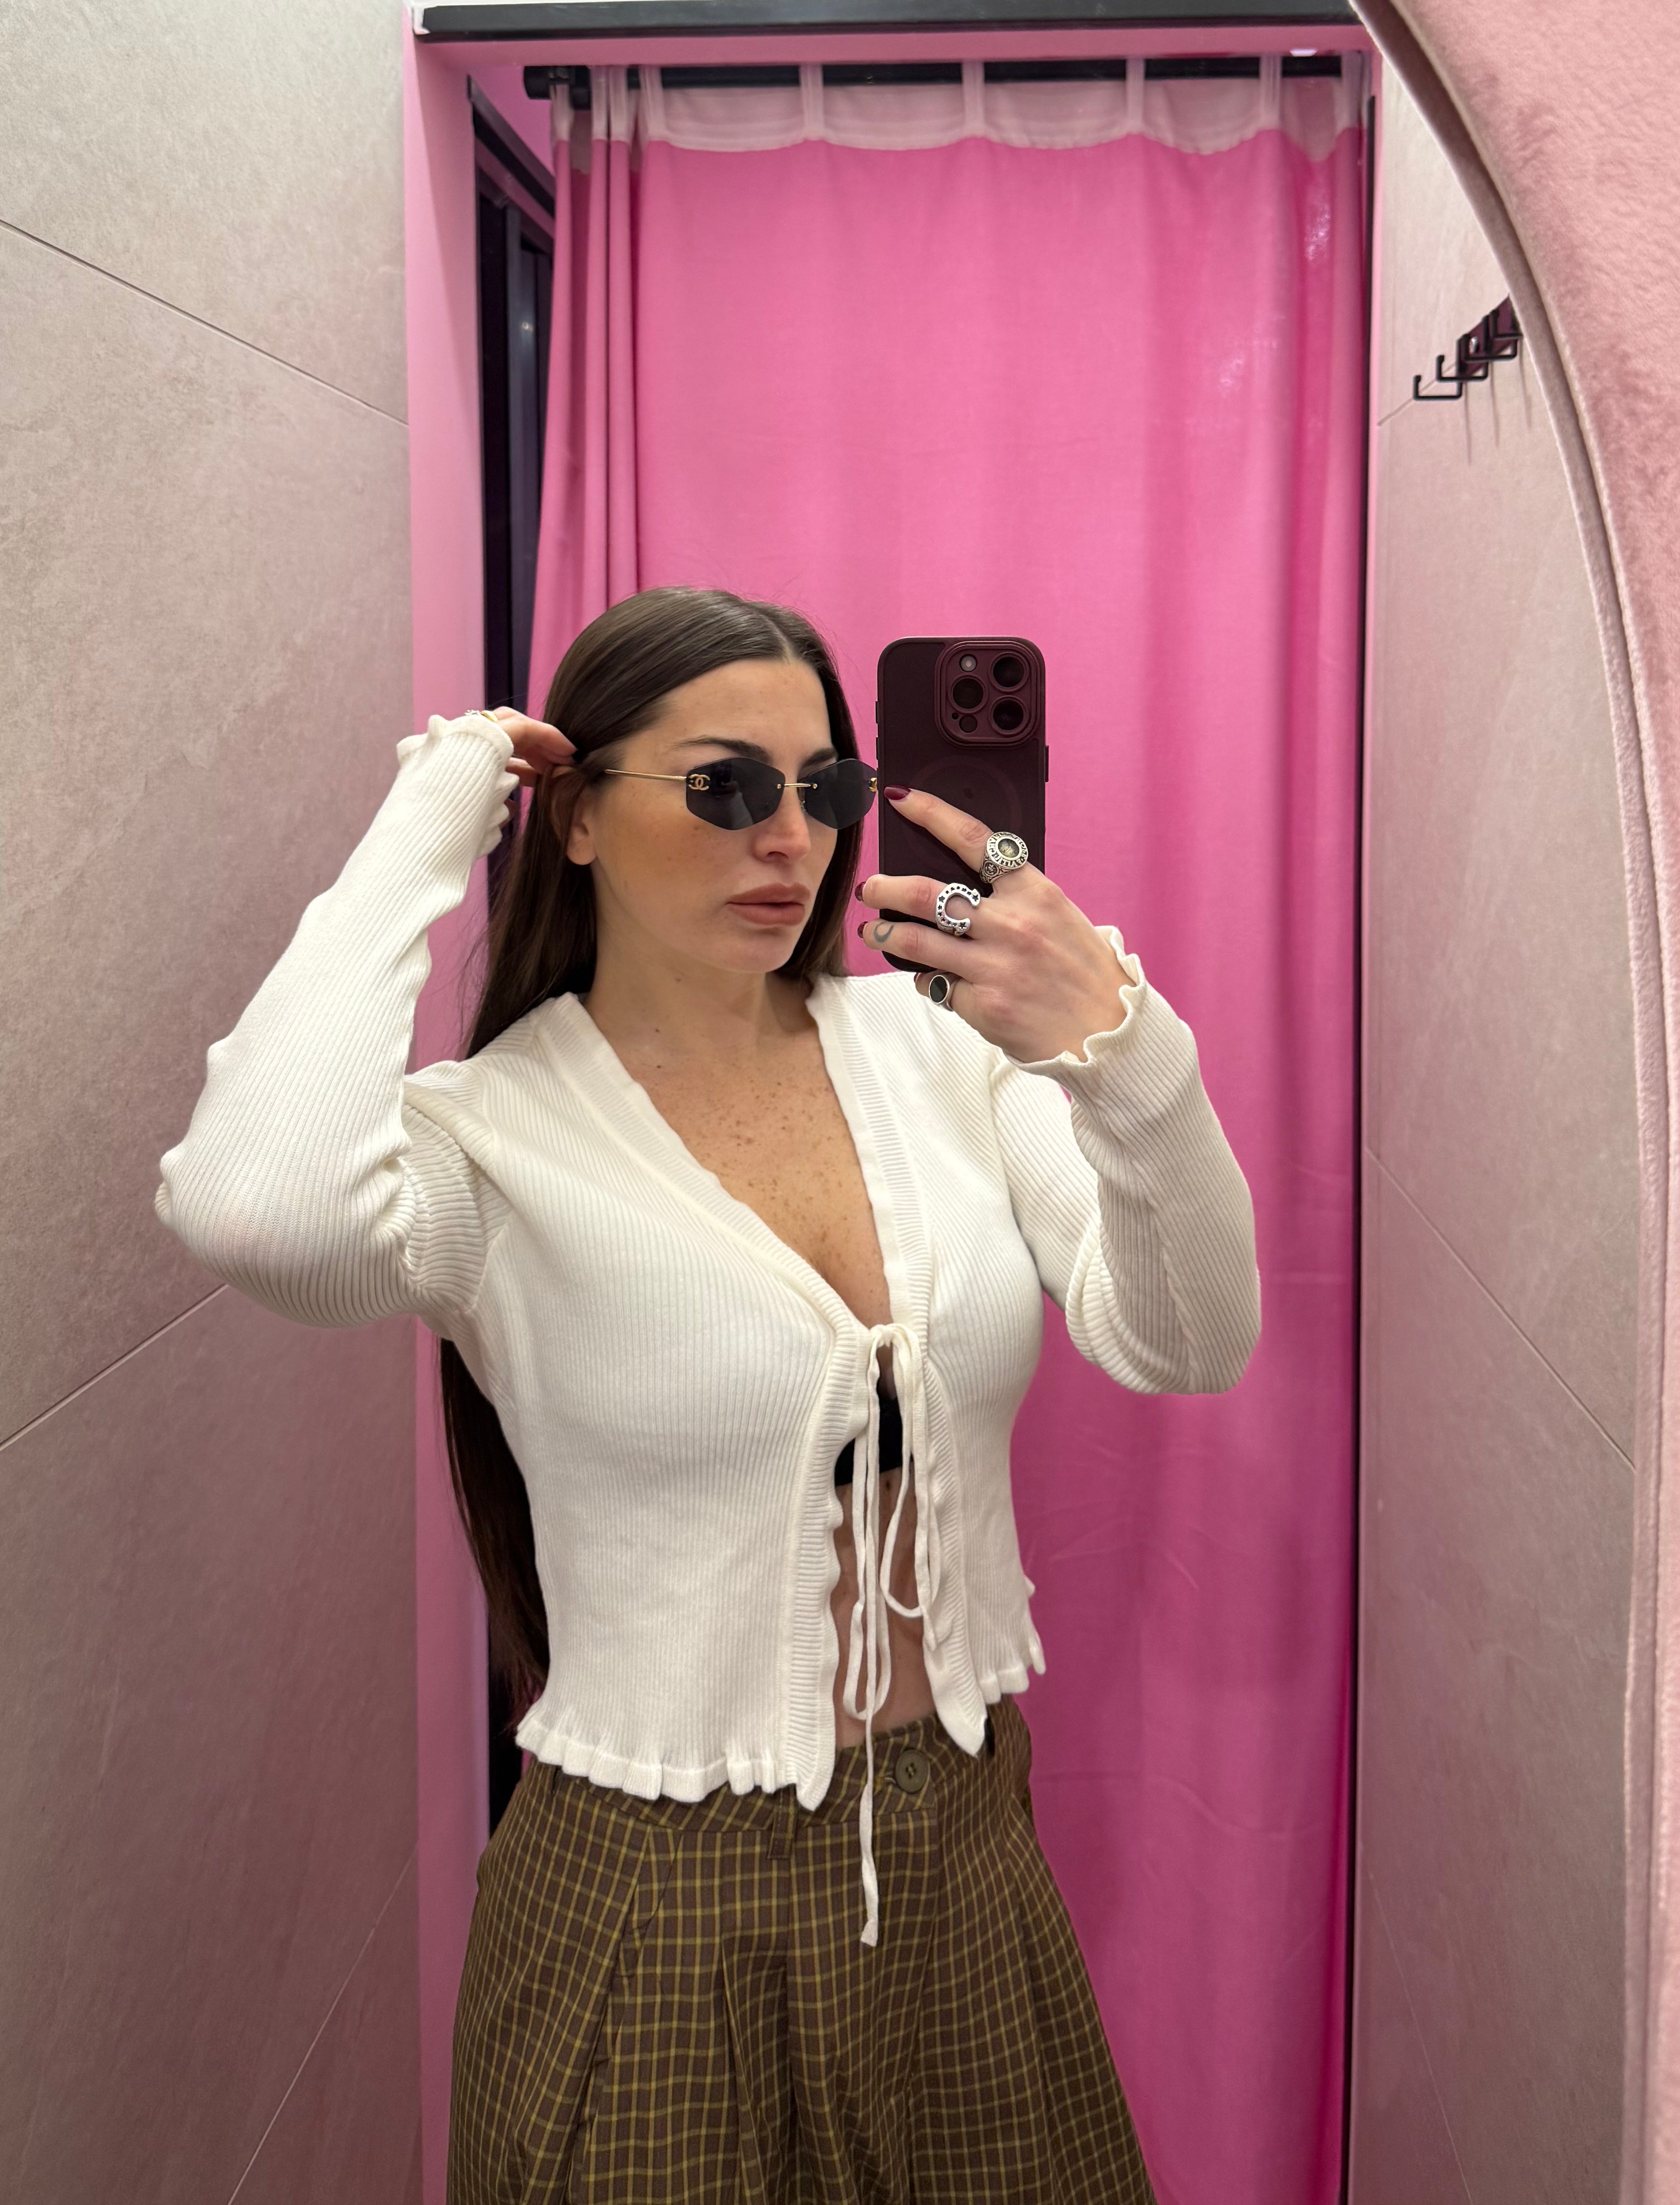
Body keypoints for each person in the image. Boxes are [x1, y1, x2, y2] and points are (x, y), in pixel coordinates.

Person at [158, 583, 1259, 2205]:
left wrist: (1125, 1052)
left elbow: (1188, 1340)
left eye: (822, 787)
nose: (788, 839)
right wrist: (437, 806)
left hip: (964, 1862)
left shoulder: (944, 1052)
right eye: (722, 785)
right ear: (575, 815)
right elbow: (253, 1208)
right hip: (649, 1908)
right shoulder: (489, 1137)